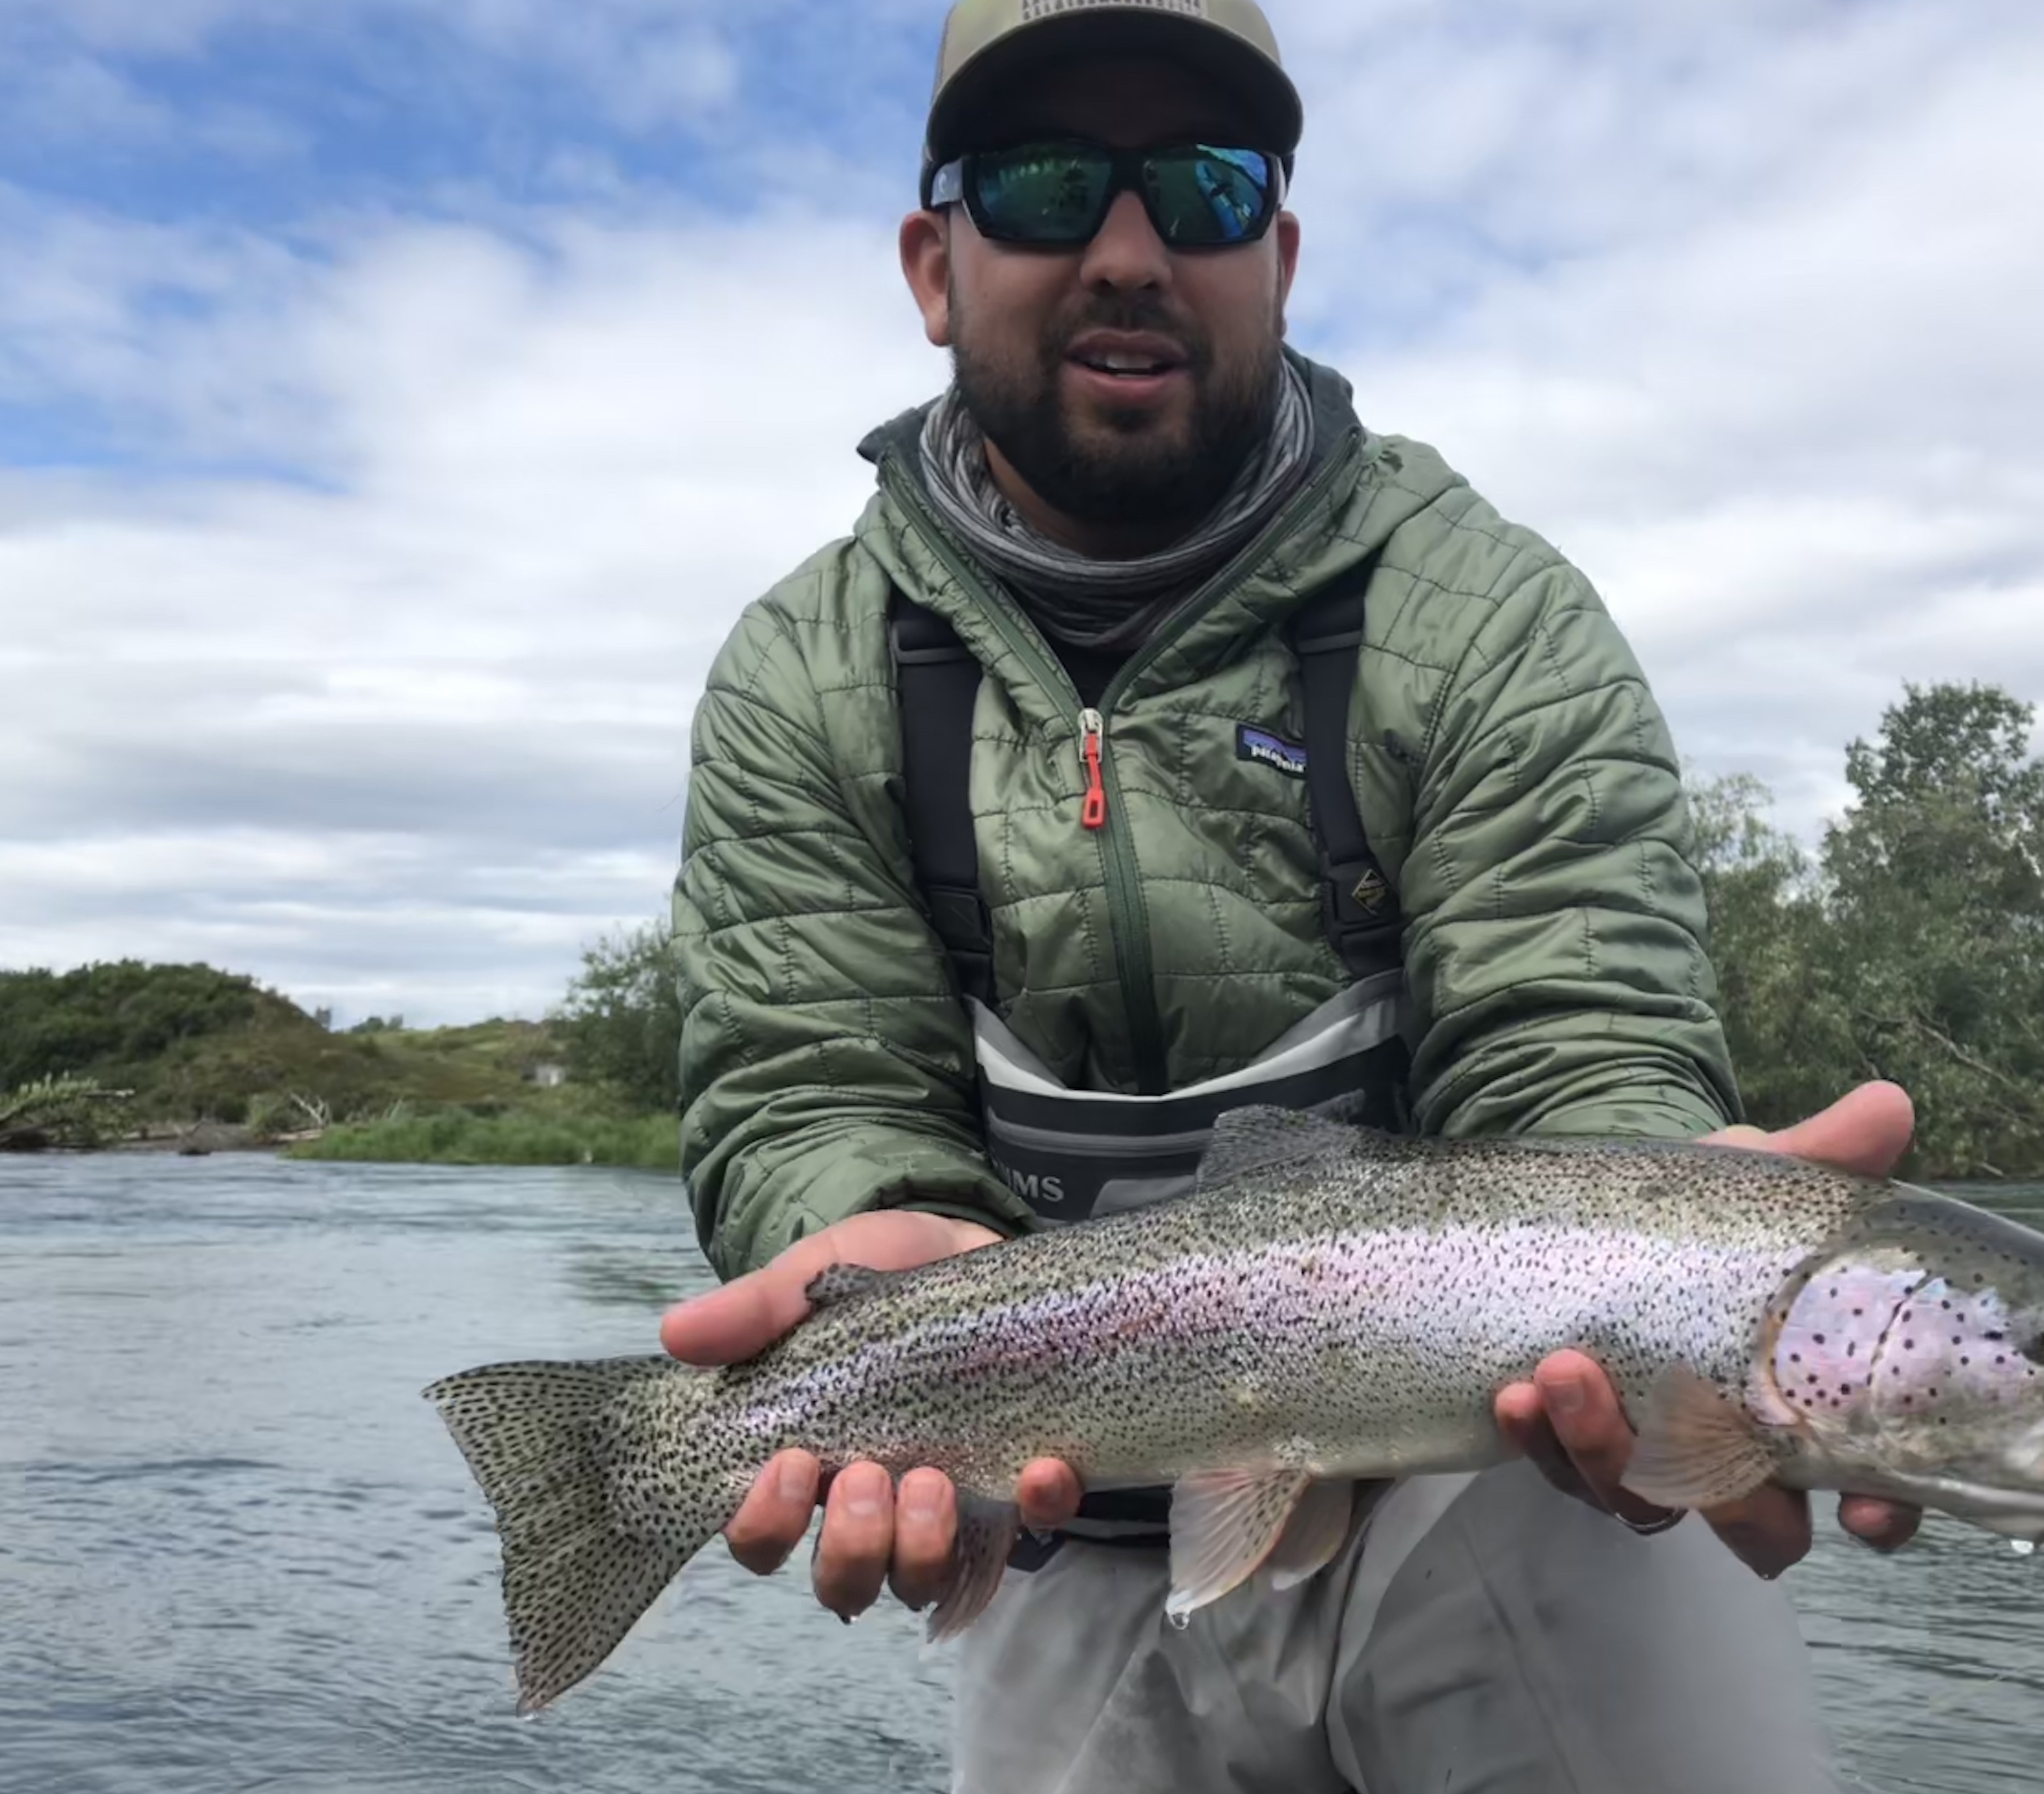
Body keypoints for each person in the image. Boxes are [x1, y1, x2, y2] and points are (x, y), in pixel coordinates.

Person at [660, 2, 1919, 1787]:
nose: (1126, 250)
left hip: (1493, 1494)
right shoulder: (807, 673)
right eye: (1042, 186)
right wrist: (860, 1228)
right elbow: (812, 1091)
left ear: (1282, 255)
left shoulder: (1485, 615)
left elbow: (1579, 1049)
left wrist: (1691, 1260)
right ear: (935, 267)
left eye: (1202, 186)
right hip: (1052, 1514)